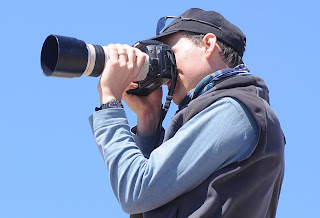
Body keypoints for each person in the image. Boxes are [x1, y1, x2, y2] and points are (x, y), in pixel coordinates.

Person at [89, 8, 285, 218]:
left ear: (208, 45)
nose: (167, 66)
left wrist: (110, 100)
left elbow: (136, 191)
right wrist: (148, 118)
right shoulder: (224, 110)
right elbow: (144, 202)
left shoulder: (236, 110)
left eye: (170, 53)